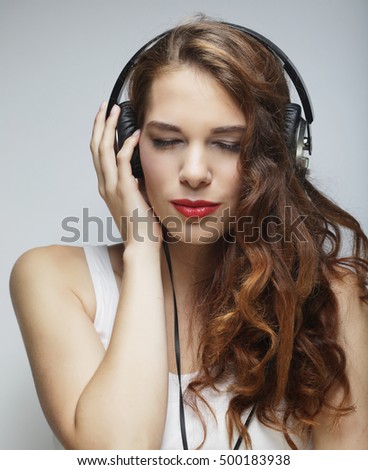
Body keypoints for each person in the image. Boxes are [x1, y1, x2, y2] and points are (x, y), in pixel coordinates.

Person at [9, 17, 368, 450]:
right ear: (129, 149)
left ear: (281, 154)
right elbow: (118, 456)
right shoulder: (53, 279)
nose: (194, 173)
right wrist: (141, 246)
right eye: (166, 140)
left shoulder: (330, 295)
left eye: (229, 143)